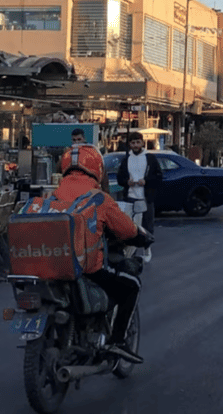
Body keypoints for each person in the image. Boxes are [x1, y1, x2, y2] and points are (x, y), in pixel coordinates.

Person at [51, 144, 150, 364]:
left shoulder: (53, 195)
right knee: (131, 284)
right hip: (87, 268)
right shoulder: (99, 198)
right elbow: (127, 230)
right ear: (96, 168)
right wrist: (143, 238)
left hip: (54, 266)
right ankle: (117, 342)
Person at [117, 131, 162, 236]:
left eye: (138, 142)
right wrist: (127, 182)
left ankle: (147, 250)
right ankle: (132, 251)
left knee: (147, 227)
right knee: (130, 227)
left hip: (146, 199)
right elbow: (120, 178)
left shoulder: (150, 158)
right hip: (130, 198)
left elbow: (159, 177)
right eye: (133, 143)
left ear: (142, 143)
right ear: (129, 144)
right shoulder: (126, 159)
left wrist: (146, 181)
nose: (136, 145)